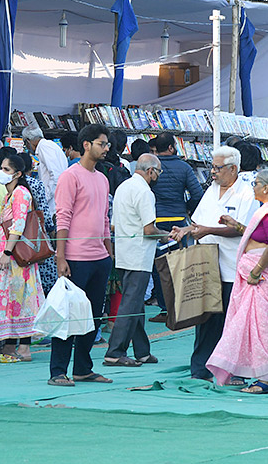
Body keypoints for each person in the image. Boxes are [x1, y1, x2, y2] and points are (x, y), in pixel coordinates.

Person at [205, 168, 268, 394]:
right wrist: (236, 225)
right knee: (254, 326)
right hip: (257, 278)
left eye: (255, 184)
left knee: (263, 328)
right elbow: (258, 236)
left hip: (262, 279)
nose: (252, 188)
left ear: (265, 188)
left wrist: (256, 271)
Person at [169, 147, 260, 381]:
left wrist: (208, 230)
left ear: (233, 169)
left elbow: (242, 229)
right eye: (212, 167)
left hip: (233, 267)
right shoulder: (211, 190)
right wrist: (186, 229)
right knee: (205, 319)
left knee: (232, 323)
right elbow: (199, 221)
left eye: (218, 168)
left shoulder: (247, 194)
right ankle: (201, 368)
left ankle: (232, 370)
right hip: (207, 265)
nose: (213, 172)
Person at [49, 124, 114, 386]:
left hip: (99, 257)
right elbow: (62, 218)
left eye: (107, 144)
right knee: (68, 314)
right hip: (75, 257)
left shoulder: (102, 177)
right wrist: (61, 256)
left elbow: (104, 217)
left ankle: (83, 368)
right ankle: (57, 371)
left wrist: (109, 253)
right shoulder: (70, 176)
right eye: (102, 143)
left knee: (93, 316)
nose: (106, 148)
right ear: (86, 145)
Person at [105, 154, 165, 367]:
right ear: (150, 171)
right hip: (139, 255)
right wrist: (165, 235)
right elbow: (149, 230)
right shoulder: (144, 192)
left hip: (124, 252)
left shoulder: (123, 187)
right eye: (158, 172)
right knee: (130, 305)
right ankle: (114, 351)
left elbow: (113, 225)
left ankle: (142, 351)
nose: (157, 177)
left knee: (135, 303)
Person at [0, 154, 45, 362]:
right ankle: (11, 344)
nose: (1, 173)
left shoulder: (21, 193)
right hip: (8, 254)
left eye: (6, 170)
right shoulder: (10, 194)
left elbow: (18, 225)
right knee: (12, 297)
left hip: (15, 256)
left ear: (18, 174)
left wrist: (7, 252)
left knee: (21, 297)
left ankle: (24, 347)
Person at [148, 133, 206, 317]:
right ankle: (183, 306)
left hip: (157, 221)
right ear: (172, 148)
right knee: (182, 265)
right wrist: (186, 209)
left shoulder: (152, 166)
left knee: (160, 266)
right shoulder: (184, 167)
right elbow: (197, 194)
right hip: (180, 222)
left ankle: (165, 307)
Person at [19, 152, 59, 296]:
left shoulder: (12, 185)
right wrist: (51, 231)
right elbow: (44, 212)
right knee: (46, 278)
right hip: (37, 235)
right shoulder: (36, 184)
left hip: (18, 238)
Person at [23, 125, 68, 214]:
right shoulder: (48, 146)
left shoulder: (44, 147)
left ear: (28, 141)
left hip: (53, 203)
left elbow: (55, 176)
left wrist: (44, 198)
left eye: (25, 144)